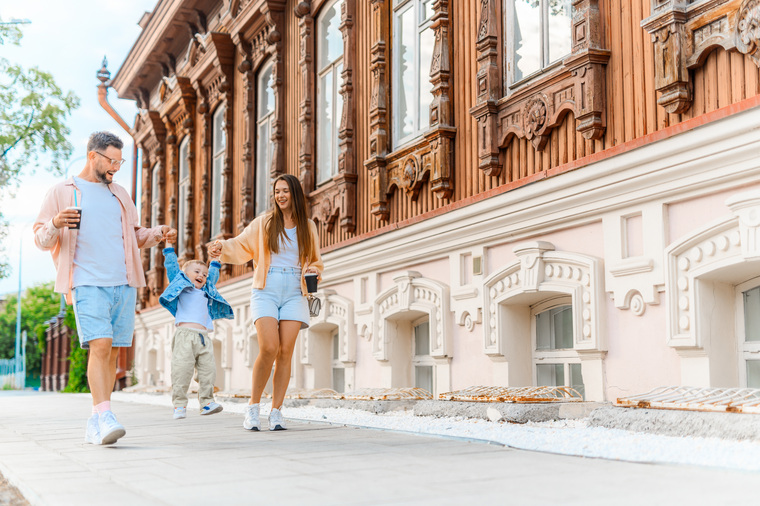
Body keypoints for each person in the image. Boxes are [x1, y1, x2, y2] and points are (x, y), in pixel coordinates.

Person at [34, 131, 176, 445]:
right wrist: (56, 222)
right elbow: (40, 239)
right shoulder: (62, 191)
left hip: (124, 282)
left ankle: (96, 418)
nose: (116, 167)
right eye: (111, 160)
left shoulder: (121, 194)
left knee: (112, 350)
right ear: (93, 156)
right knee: (100, 345)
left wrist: (158, 234)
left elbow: (134, 235)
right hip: (86, 281)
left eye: (119, 161)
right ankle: (105, 415)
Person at [208, 174, 323, 431]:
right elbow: (240, 245)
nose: (280, 195)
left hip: (295, 290)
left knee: (285, 352)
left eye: (285, 191)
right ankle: (253, 406)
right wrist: (221, 247)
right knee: (269, 347)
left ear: (294, 193)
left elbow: (315, 260)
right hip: (266, 289)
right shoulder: (264, 224)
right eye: (277, 191)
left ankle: (277, 411)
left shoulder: (308, 226)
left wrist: (313, 271)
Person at [158, 243, 233, 420]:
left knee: (209, 371)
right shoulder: (182, 288)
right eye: (197, 272)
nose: (201, 275)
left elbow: (213, 276)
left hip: (203, 338)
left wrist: (215, 261)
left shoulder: (207, 291)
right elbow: (172, 268)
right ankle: (179, 405)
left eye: (204, 274)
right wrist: (169, 248)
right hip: (184, 336)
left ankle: (206, 402)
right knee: (181, 371)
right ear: (185, 275)